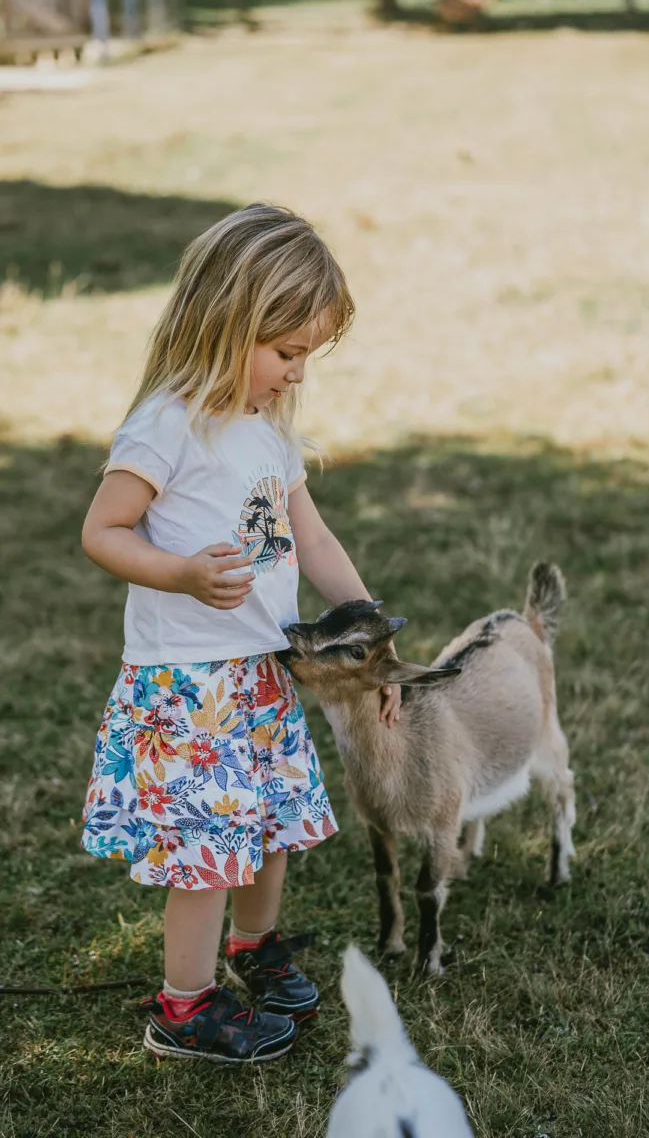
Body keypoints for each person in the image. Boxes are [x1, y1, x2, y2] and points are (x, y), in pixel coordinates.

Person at [80, 203, 401, 1064]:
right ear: (228, 323)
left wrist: (369, 623)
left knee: (267, 832)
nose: (296, 373)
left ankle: (252, 947)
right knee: (210, 856)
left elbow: (314, 538)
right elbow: (103, 531)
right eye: (286, 352)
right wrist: (181, 573)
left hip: (259, 673)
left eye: (307, 355)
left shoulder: (265, 432)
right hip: (185, 684)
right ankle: (182, 1011)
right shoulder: (166, 424)